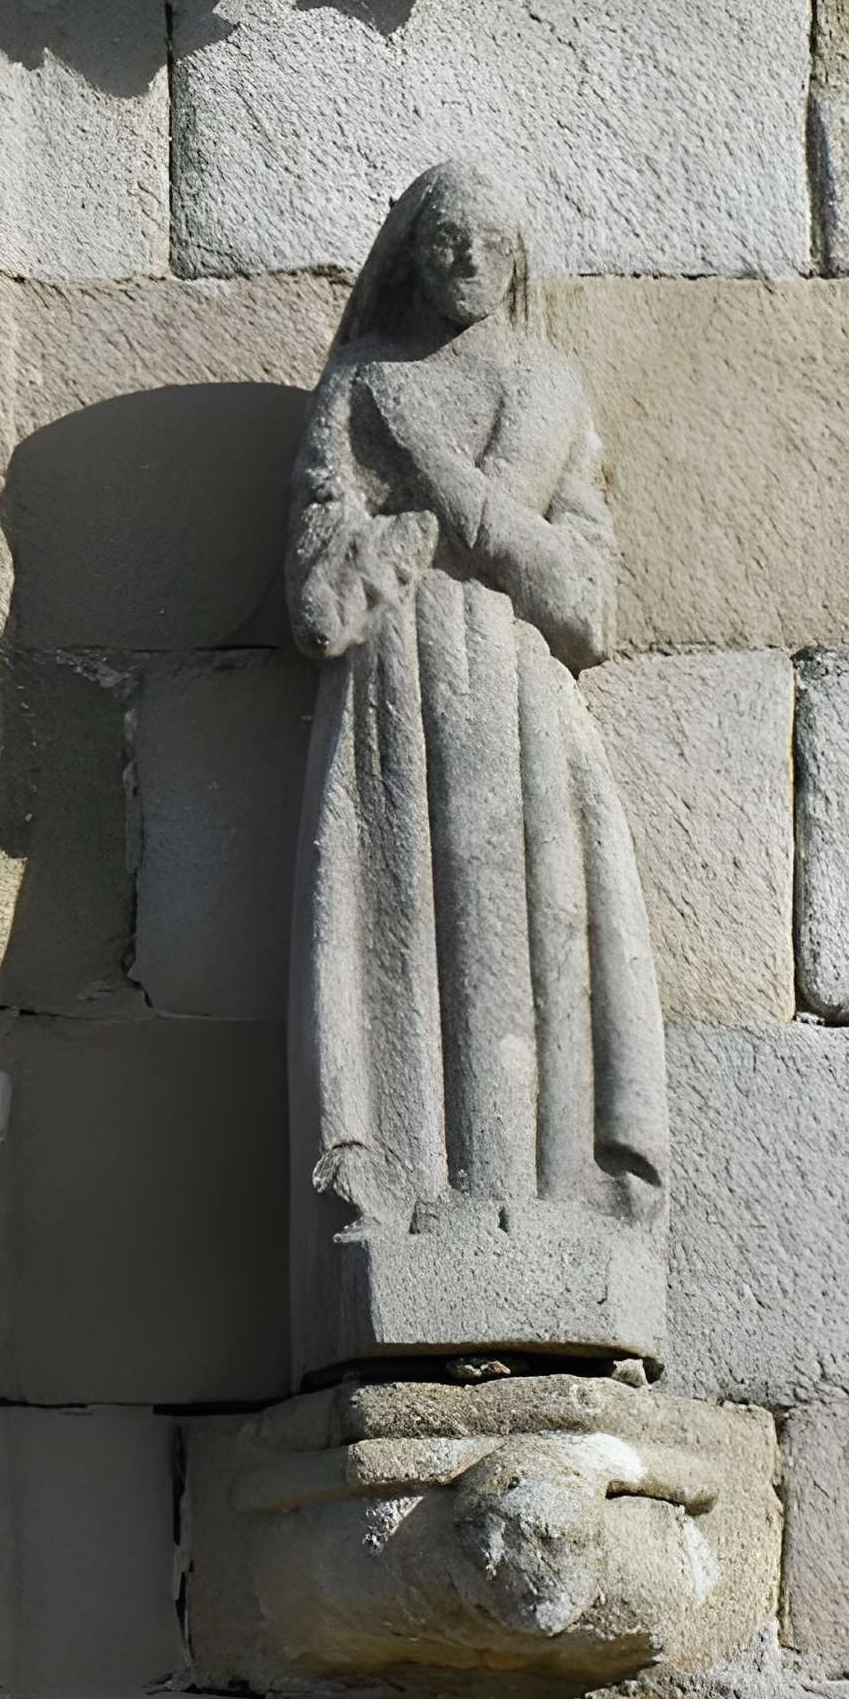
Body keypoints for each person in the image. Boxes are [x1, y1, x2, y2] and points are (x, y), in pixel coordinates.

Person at [285, 161, 668, 1384]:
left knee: (539, 932)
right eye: (442, 241)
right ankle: (407, 1197)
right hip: (397, 690)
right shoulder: (363, 388)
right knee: (403, 930)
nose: (462, 262)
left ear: (516, 259)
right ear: (412, 254)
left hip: (516, 696)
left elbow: (591, 600)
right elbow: (309, 584)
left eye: (484, 243)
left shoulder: (551, 391)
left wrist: (465, 507)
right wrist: (390, 535)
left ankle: (554, 1201)